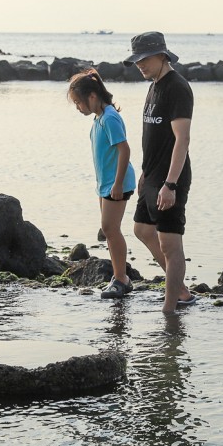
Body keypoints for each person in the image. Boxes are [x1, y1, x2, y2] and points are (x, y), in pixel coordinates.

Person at [123, 31, 195, 314]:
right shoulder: (154, 85)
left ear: (162, 55)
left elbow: (182, 139)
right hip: (152, 176)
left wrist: (171, 184)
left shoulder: (177, 87)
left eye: (145, 59)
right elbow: (153, 136)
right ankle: (181, 290)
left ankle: (171, 308)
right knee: (141, 229)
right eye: (136, 60)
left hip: (170, 179)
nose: (140, 65)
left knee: (170, 244)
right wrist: (144, 174)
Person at [68, 69, 138, 299]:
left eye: (78, 102)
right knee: (108, 230)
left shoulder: (109, 118)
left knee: (110, 229)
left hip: (116, 182)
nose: (77, 108)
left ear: (92, 96)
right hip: (105, 183)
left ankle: (121, 279)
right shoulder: (99, 117)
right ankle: (119, 277)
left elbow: (124, 150)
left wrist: (117, 184)